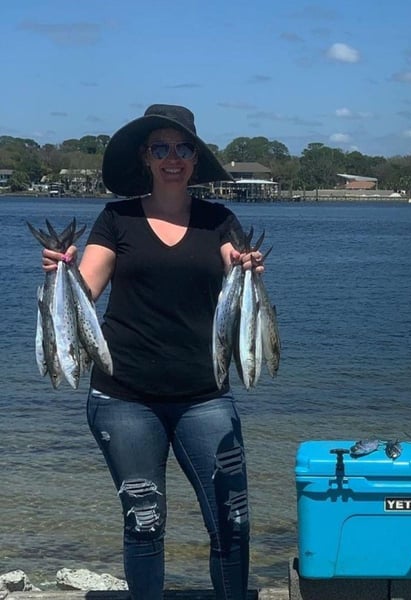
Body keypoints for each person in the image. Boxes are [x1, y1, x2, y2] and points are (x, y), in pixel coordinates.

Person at [40, 104, 263, 600]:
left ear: (195, 158)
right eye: (160, 148)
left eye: (183, 148)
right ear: (145, 157)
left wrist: (244, 267)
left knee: (233, 520)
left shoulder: (220, 220)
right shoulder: (116, 218)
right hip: (124, 398)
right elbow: (88, 289)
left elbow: (236, 273)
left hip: (206, 394)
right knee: (145, 524)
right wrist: (61, 273)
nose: (172, 158)